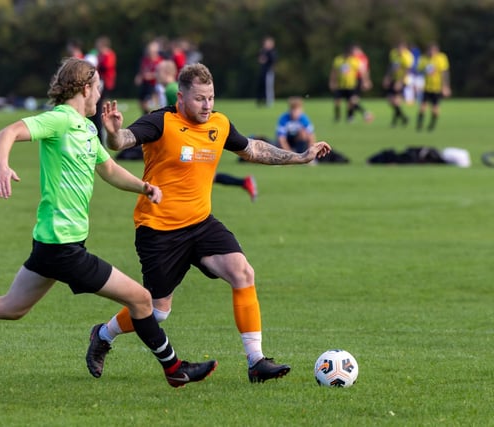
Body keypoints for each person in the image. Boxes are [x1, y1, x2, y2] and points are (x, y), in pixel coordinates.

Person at [0, 57, 217, 388]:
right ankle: (175, 369)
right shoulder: (59, 120)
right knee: (142, 300)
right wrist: (0, 165)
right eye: (98, 87)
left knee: (11, 306)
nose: (101, 93)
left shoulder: (88, 127)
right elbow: (9, 131)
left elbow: (108, 169)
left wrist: (144, 187)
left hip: (53, 243)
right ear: (85, 88)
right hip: (62, 247)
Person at [85, 63, 331, 383]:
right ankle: (103, 335)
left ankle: (256, 361)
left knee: (242, 272)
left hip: (201, 224)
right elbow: (122, 142)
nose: (207, 105)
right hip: (159, 230)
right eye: (200, 99)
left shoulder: (219, 124)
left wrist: (300, 156)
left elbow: (252, 149)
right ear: (182, 98)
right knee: (157, 311)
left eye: (211, 98)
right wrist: (114, 131)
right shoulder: (162, 121)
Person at [155, 60, 258, 201]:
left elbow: (182, 114)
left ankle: (243, 182)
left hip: (187, 140)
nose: (155, 74)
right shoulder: (170, 89)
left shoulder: (171, 90)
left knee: (195, 174)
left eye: (158, 71)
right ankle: (244, 182)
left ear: (166, 73)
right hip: (183, 139)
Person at [329, 45, 371, 123]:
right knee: (337, 101)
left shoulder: (354, 61)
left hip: (351, 85)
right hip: (340, 85)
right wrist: (332, 82)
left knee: (351, 102)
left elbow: (363, 71)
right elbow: (334, 72)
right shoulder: (338, 60)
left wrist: (365, 81)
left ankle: (351, 117)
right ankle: (337, 117)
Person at [416, 43, 450, 132]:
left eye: (433, 51)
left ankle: (432, 125)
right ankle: (419, 125)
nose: (431, 53)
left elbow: (444, 73)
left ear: (437, 51)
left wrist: (445, 86)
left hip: (437, 87)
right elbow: (419, 70)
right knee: (422, 107)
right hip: (426, 87)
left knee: (435, 109)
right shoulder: (424, 59)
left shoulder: (441, 58)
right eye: (429, 51)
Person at [383, 41, 414, 127]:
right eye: (398, 48)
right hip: (394, 79)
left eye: (401, 48)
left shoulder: (408, 56)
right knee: (390, 100)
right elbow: (391, 66)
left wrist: (400, 82)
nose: (399, 50)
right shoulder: (393, 53)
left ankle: (394, 122)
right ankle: (404, 118)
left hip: (403, 80)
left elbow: (407, 70)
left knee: (396, 101)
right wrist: (387, 77)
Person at [91, 36, 116, 136]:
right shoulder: (100, 55)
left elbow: (107, 67)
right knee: (99, 104)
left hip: (106, 82)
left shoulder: (109, 54)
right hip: (100, 82)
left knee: (102, 104)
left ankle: (104, 129)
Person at [134, 40, 163, 115]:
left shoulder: (159, 61)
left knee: (151, 103)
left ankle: (152, 116)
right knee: (141, 102)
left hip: (154, 84)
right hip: (145, 84)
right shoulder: (145, 60)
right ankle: (146, 115)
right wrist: (139, 77)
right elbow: (142, 70)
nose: (150, 53)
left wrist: (151, 75)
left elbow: (161, 74)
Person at [256, 36, 277, 107]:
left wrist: (265, 60)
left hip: (269, 71)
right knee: (262, 86)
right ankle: (261, 100)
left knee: (269, 87)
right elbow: (260, 60)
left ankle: (269, 101)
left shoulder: (272, 52)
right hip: (263, 71)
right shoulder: (263, 51)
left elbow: (272, 61)